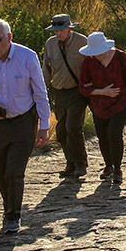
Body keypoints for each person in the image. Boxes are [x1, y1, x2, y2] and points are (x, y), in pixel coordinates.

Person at [0, 17, 51, 235]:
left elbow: (40, 92)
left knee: (15, 171)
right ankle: (9, 207)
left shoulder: (28, 57)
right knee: (0, 172)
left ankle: (13, 216)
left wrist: (44, 125)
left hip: (23, 121)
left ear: (9, 37)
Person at [77, 31, 126, 184]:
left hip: (120, 102)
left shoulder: (120, 57)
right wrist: (102, 91)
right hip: (98, 105)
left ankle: (117, 169)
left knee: (114, 134)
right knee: (102, 136)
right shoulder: (89, 62)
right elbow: (83, 87)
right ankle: (108, 166)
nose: (96, 55)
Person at [42, 14, 90, 179]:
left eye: (61, 30)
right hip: (59, 92)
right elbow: (46, 67)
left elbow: (91, 65)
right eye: (56, 31)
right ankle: (70, 163)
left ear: (69, 28)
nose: (58, 33)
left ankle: (81, 164)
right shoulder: (50, 44)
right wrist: (42, 90)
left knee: (73, 127)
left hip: (77, 91)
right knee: (61, 131)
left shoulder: (82, 41)